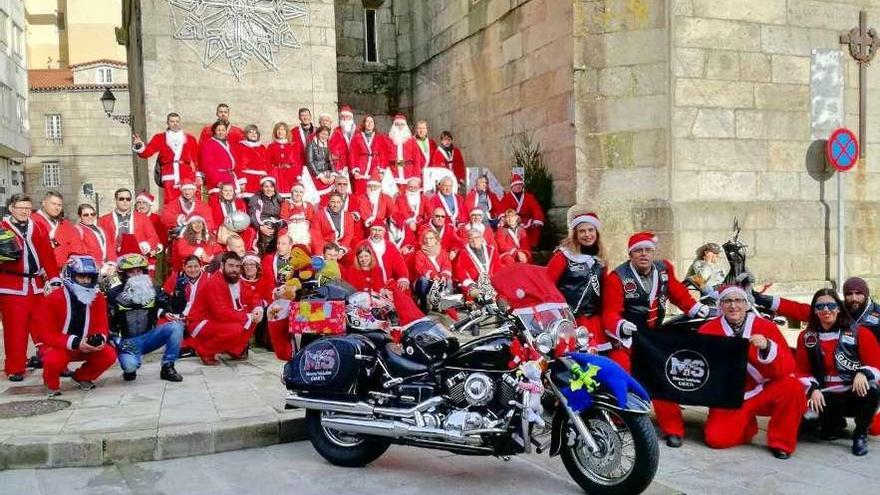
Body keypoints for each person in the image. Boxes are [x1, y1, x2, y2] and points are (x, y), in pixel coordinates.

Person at [601, 231, 709, 447]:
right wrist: (621, 325)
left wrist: (695, 308)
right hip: (626, 340)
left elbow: (678, 293)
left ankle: (673, 429)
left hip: (653, 337)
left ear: (653, 252)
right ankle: (620, 418)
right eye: (638, 251)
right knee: (621, 373)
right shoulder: (617, 277)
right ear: (630, 254)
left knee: (662, 377)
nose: (644, 254)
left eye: (648, 250)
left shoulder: (664, 269)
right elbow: (609, 313)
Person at [694, 286, 805, 459]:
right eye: (727, 301)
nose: (733, 306)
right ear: (720, 305)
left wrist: (767, 347)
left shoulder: (766, 326)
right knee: (716, 440)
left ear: (746, 304)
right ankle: (746, 425)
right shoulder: (708, 330)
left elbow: (788, 366)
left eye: (738, 300)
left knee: (792, 387)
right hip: (730, 397)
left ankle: (781, 443)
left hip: (764, 390)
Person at [795, 288, 880, 456]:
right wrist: (813, 389)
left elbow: (876, 364)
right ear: (814, 310)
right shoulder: (806, 336)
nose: (826, 310)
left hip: (852, 393)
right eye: (820, 307)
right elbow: (800, 370)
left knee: (872, 389)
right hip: (824, 395)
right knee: (811, 431)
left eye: (831, 305)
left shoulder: (859, 333)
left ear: (839, 308)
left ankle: (860, 433)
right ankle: (833, 424)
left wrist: (864, 373)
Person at [0, 193, 61, 381]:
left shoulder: (38, 226)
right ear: (11, 208)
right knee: (15, 330)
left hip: (36, 285)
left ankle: (56, 361)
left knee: (45, 327)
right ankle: (15, 368)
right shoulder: (2, 228)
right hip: (12, 286)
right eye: (21, 208)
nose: (25, 211)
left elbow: (48, 255)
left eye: (28, 208)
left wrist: (55, 279)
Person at [41, 255, 116, 395]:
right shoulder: (54, 298)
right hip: (61, 346)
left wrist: (99, 339)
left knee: (109, 354)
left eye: (90, 277)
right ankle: (51, 384)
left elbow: (101, 324)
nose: (86, 281)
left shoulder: (98, 297)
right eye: (81, 276)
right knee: (52, 360)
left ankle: (83, 376)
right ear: (71, 275)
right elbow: (45, 334)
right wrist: (75, 342)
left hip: (86, 345)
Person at [107, 253, 183, 382]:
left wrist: (178, 293)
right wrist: (117, 341)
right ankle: (131, 365)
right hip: (128, 342)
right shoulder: (113, 294)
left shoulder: (153, 289)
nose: (136, 274)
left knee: (176, 327)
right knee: (130, 367)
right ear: (123, 274)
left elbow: (170, 306)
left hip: (150, 337)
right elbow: (108, 322)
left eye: (139, 270)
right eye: (131, 271)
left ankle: (168, 366)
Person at [186, 252, 263, 365]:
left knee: (254, 319)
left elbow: (252, 295)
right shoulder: (214, 282)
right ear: (222, 266)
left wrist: (257, 309)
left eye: (237, 266)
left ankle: (233, 349)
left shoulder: (235, 279)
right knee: (236, 328)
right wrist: (247, 316)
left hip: (216, 320)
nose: (235, 270)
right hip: (199, 322)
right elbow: (221, 313)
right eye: (231, 266)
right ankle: (205, 351)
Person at [546, 210, 607, 352]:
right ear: (575, 234)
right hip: (568, 322)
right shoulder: (563, 257)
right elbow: (547, 287)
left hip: (593, 323)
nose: (587, 235)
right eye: (582, 231)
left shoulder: (600, 261)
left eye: (591, 230)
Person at [132, 112, 199, 203]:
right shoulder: (160, 138)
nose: (175, 123)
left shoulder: (190, 139)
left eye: (177, 121)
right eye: (172, 121)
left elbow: (196, 159)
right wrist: (139, 145)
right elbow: (147, 152)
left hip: (186, 174)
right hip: (169, 174)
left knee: (189, 200)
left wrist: (198, 175)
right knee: (171, 201)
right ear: (167, 123)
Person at [99, 189, 162, 259]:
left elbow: (154, 238)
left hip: (138, 259)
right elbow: (100, 242)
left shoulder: (142, 218)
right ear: (115, 200)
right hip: (114, 259)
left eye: (128, 199)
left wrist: (144, 246)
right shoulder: (104, 220)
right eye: (121, 199)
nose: (125, 201)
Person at [30, 191, 82, 268]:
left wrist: (73, 260)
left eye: (59, 205)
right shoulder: (31, 220)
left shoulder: (67, 225)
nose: (57, 208)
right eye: (53, 204)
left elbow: (76, 247)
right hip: (39, 272)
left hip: (63, 271)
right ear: (44, 203)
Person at [356, 224, 410, 292]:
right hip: (369, 283)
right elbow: (356, 266)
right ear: (370, 231)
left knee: (403, 298)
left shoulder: (390, 246)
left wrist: (403, 277)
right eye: (374, 230)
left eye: (380, 230)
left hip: (388, 283)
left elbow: (399, 263)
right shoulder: (362, 244)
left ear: (384, 233)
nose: (377, 233)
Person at [198, 120, 246, 197]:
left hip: (231, 178)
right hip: (218, 179)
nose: (221, 132)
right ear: (214, 131)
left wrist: (240, 181)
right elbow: (207, 166)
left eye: (223, 130)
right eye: (218, 130)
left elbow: (236, 164)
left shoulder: (229, 144)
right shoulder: (208, 144)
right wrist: (217, 181)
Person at [497, 174, 545, 248]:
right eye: (516, 185)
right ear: (512, 187)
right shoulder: (507, 198)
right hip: (513, 219)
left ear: (522, 186)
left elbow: (536, 209)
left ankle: (532, 246)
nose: (518, 187)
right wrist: (503, 217)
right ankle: (512, 245)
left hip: (526, 220)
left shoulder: (529, 197)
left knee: (535, 226)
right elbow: (501, 209)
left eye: (520, 185)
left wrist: (537, 220)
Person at [412, 229, 453, 310]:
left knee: (449, 281)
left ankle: (447, 305)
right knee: (423, 280)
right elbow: (419, 268)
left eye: (431, 238)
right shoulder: (419, 253)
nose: (428, 240)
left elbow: (447, 266)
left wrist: (444, 276)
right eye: (426, 238)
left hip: (440, 278)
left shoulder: (442, 252)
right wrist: (432, 275)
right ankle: (424, 305)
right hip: (427, 280)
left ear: (436, 239)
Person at [453, 228, 499, 298]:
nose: (474, 240)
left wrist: (496, 280)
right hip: (474, 283)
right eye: (471, 238)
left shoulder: (491, 250)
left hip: (491, 282)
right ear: (468, 240)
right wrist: (470, 284)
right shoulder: (463, 253)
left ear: (481, 238)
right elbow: (460, 271)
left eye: (476, 237)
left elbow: (497, 267)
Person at [311, 192, 356, 257]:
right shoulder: (319, 215)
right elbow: (316, 237)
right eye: (333, 202)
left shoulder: (348, 215)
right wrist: (325, 252)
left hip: (341, 246)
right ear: (328, 202)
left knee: (352, 257)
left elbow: (349, 234)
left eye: (338, 202)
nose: (335, 205)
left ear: (342, 203)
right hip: (325, 247)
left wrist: (342, 249)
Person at [248, 176, 284, 255]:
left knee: (284, 224)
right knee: (269, 225)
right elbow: (253, 213)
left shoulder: (277, 197)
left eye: (271, 186)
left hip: (276, 221)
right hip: (263, 221)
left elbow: (284, 210)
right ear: (262, 188)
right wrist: (259, 226)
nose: (269, 189)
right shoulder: (257, 198)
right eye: (266, 186)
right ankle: (266, 254)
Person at [349, 114, 385, 194]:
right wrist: (355, 170)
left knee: (373, 194)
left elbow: (383, 155)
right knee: (360, 194)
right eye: (367, 121)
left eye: (371, 122)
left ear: (374, 124)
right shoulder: (357, 137)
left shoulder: (379, 138)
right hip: (360, 170)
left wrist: (381, 171)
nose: (369, 123)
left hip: (375, 169)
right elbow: (352, 154)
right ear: (364, 124)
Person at [391, 177, 428, 252]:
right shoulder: (400, 198)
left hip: (420, 223)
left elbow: (431, 211)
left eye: (415, 187)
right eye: (410, 187)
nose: (413, 189)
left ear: (419, 188)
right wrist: (410, 221)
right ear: (407, 187)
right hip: (406, 223)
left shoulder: (424, 198)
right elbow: (402, 210)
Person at [387, 114, 421, 192]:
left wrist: (416, 176)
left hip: (409, 176)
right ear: (393, 126)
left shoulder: (412, 141)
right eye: (397, 124)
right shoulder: (388, 140)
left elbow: (417, 159)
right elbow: (385, 158)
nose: (399, 126)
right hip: (393, 176)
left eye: (402, 124)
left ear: (405, 126)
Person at [235, 124, 271, 199]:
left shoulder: (262, 147)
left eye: (255, 132)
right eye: (250, 132)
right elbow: (238, 165)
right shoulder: (240, 146)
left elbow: (268, 164)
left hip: (261, 180)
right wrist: (241, 181)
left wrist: (268, 179)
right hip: (248, 180)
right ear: (246, 134)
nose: (253, 134)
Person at [267, 122, 300, 199]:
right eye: (278, 129)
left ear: (286, 132)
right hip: (277, 175)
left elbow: (296, 162)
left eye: (282, 129)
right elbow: (268, 163)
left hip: (290, 174)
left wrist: (297, 175)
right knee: (277, 197)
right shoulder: (271, 146)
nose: (280, 132)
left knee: (290, 198)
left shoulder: (292, 146)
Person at [76, 204, 112, 271]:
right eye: (86, 215)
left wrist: (112, 265)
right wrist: (98, 267)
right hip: (90, 268)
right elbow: (80, 253)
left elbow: (110, 248)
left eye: (92, 214)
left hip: (106, 266)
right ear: (80, 216)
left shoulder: (101, 229)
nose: (90, 217)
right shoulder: (77, 230)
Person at [306, 125, 337, 198]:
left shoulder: (326, 145)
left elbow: (330, 161)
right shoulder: (311, 144)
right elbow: (310, 162)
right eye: (322, 134)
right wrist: (320, 176)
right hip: (315, 174)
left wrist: (333, 174)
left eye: (326, 135)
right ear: (318, 134)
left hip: (326, 173)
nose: (324, 136)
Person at [328, 105, 357, 177]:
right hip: (342, 165)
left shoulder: (358, 131)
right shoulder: (335, 131)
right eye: (342, 117)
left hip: (356, 165)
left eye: (347, 117)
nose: (344, 119)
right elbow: (332, 149)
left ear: (351, 118)